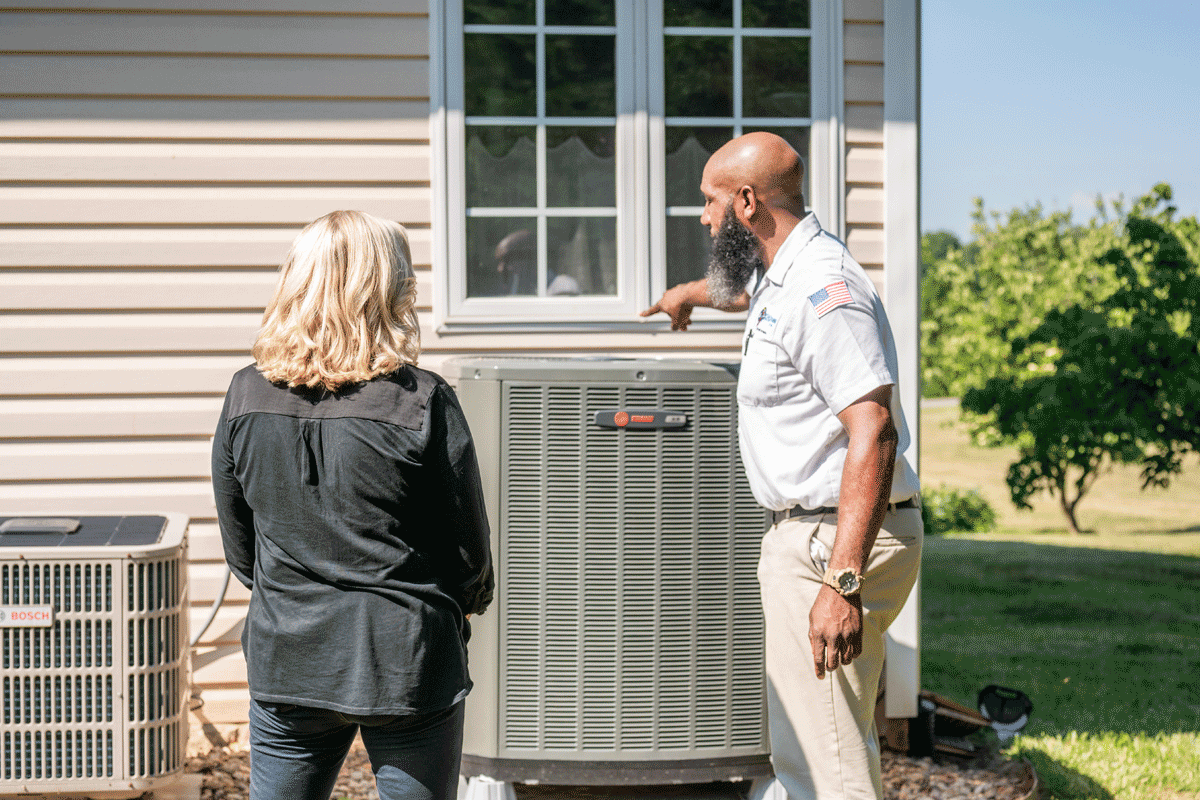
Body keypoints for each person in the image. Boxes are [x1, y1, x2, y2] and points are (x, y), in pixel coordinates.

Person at [641, 133, 923, 800]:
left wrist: (842, 581)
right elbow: (748, 300)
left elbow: (873, 430)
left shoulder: (825, 289)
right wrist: (687, 293)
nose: (703, 218)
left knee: (827, 766)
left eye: (710, 203)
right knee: (807, 752)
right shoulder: (784, 273)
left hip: (832, 540)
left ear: (746, 201)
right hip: (814, 535)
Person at [211, 210, 494, 800]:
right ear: (388, 288)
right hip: (404, 657)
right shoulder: (421, 401)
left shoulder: (244, 393)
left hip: (289, 654)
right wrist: (460, 607)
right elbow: (467, 550)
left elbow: (242, 549)